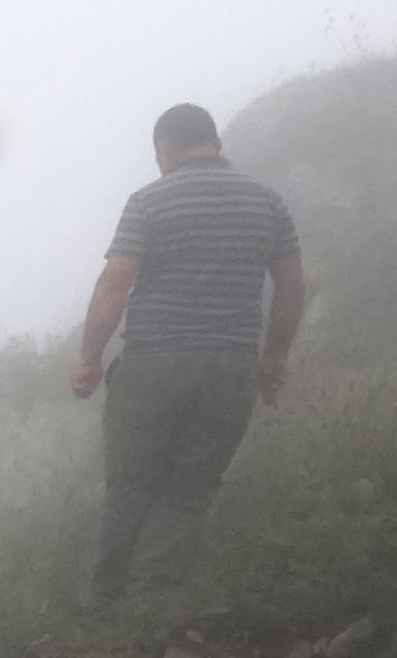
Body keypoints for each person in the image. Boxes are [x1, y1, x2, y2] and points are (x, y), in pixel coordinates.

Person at [71, 103, 304, 604]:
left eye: (157, 153)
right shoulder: (268, 204)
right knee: (190, 487)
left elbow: (115, 284)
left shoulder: (149, 203)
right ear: (212, 141)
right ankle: (154, 606)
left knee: (131, 484)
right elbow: (290, 286)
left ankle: (105, 605)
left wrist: (89, 359)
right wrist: (274, 358)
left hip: (154, 364)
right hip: (230, 368)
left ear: (167, 145)